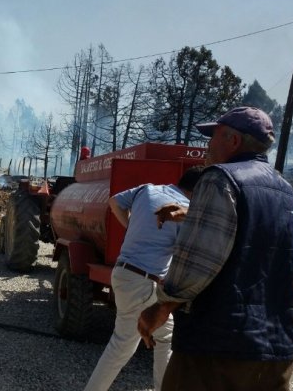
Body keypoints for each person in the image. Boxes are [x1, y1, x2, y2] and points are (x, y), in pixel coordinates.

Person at [137, 106, 293, 391]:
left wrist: (162, 305)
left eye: (212, 137)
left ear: (233, 140)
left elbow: (200, 259)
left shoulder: (220, 179)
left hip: (217, 349)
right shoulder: (286, 191)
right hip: (276, 349)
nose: (207, 145)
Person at [84, 166, 204, 391]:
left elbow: (114, 202)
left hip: (122, 273)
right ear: (197, 192)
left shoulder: (147, 189)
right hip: (145, 280)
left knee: (127, 345)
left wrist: (132, 227)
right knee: (156, 341)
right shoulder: (184, 210)